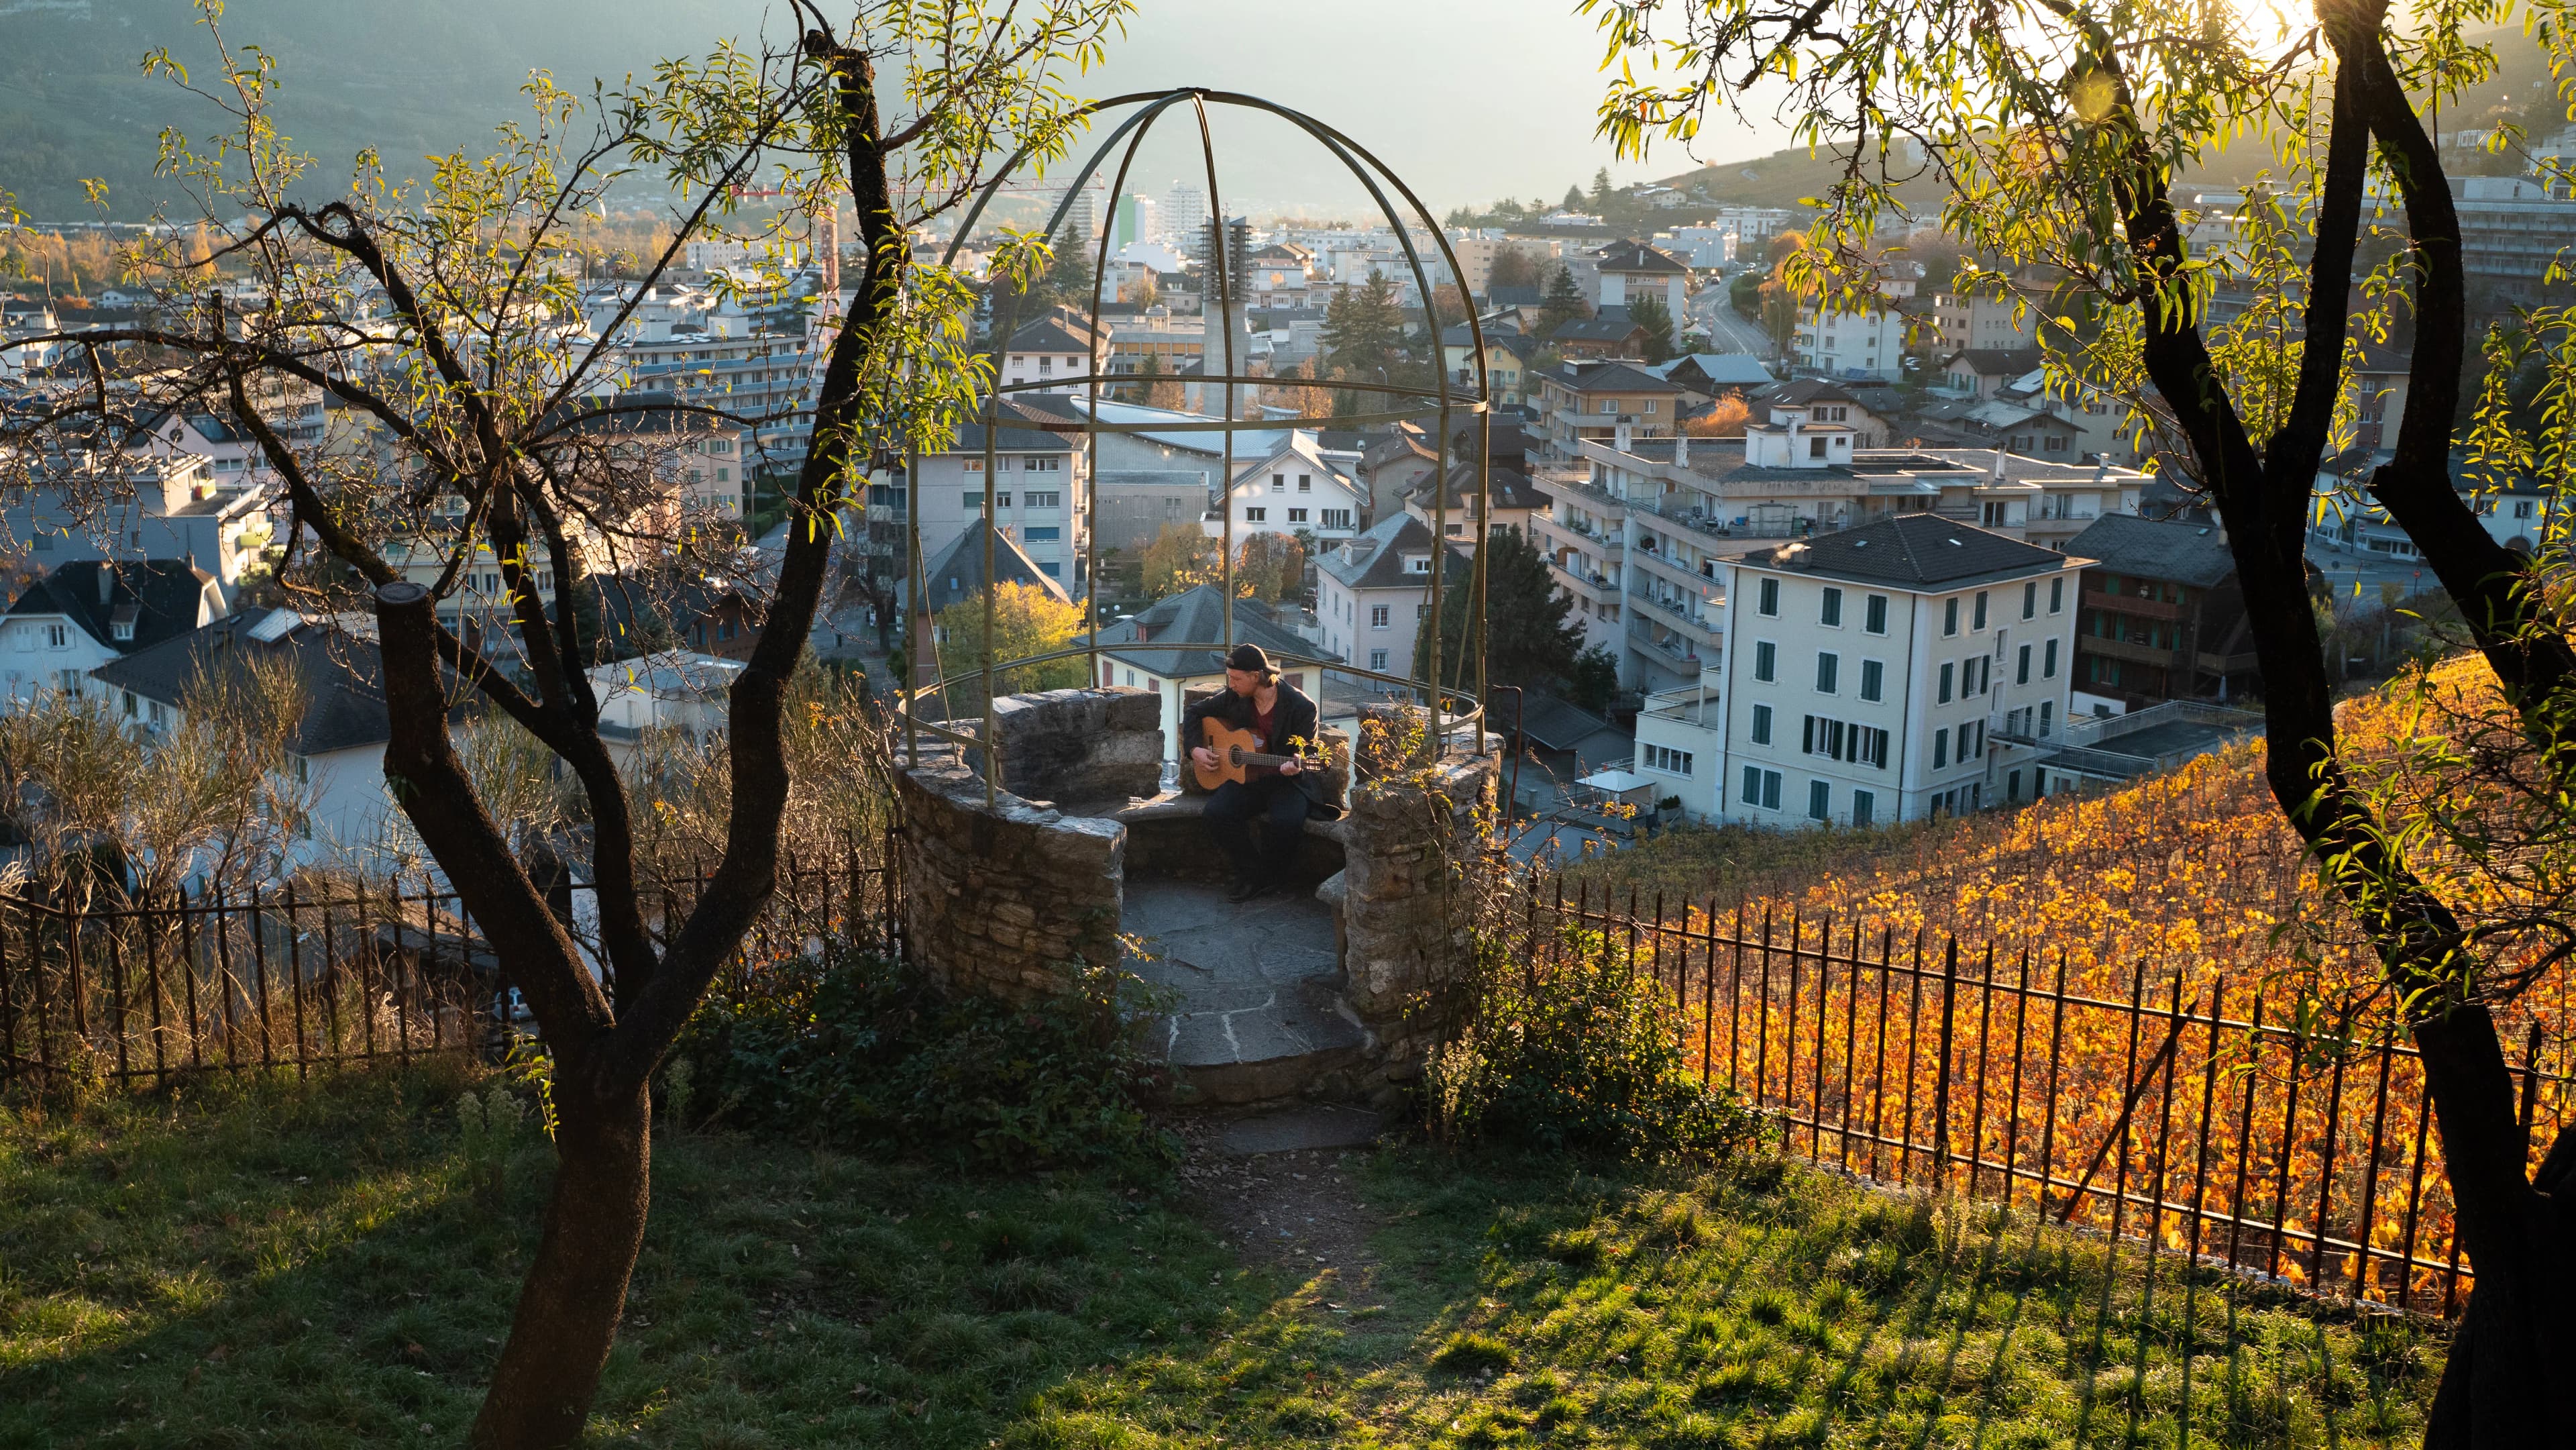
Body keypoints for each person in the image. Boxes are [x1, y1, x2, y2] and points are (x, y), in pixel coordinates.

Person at [1185, 644, 1341, 903]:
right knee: (1216, 813)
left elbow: (1311, 753)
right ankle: (1252, 872)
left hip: (1287, 781)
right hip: (1248, 777)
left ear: (1255, 676)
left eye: (1236, 679)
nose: (1230, 684)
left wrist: (1296, 767)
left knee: (1286, 823)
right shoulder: (1235, 697)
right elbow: (1194, 712)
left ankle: (1268, 877)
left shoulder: (1301, 707)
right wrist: (1195, 750)